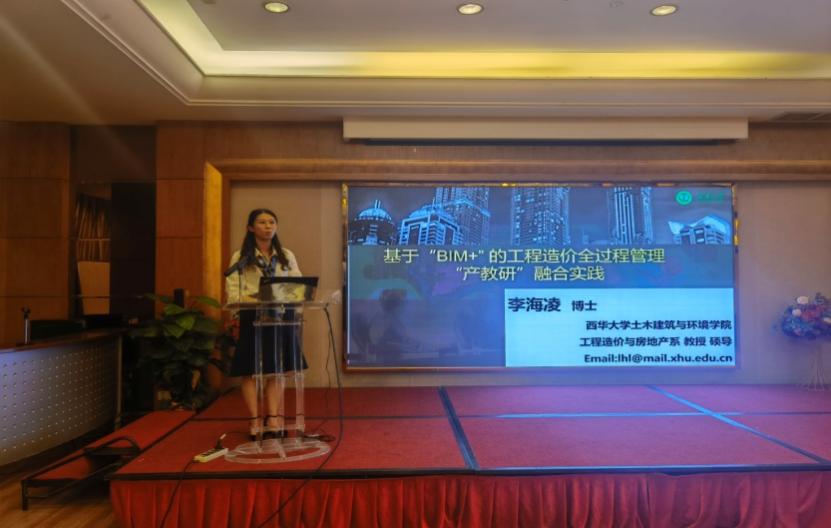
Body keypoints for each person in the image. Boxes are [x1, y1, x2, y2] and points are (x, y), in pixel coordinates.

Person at [225, 208, 305, 440]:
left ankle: (273, 418)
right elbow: (233, 290)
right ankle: (254, 420)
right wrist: (250, 300)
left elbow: (298, 284)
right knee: (250, 370)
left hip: (281, 315)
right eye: (262, 222)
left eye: (272, 222)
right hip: (253, 316)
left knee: (276, 369)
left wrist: (292, 301)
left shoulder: (286, 255)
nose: (268, 226)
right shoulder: (241, 257)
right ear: (251, 228)